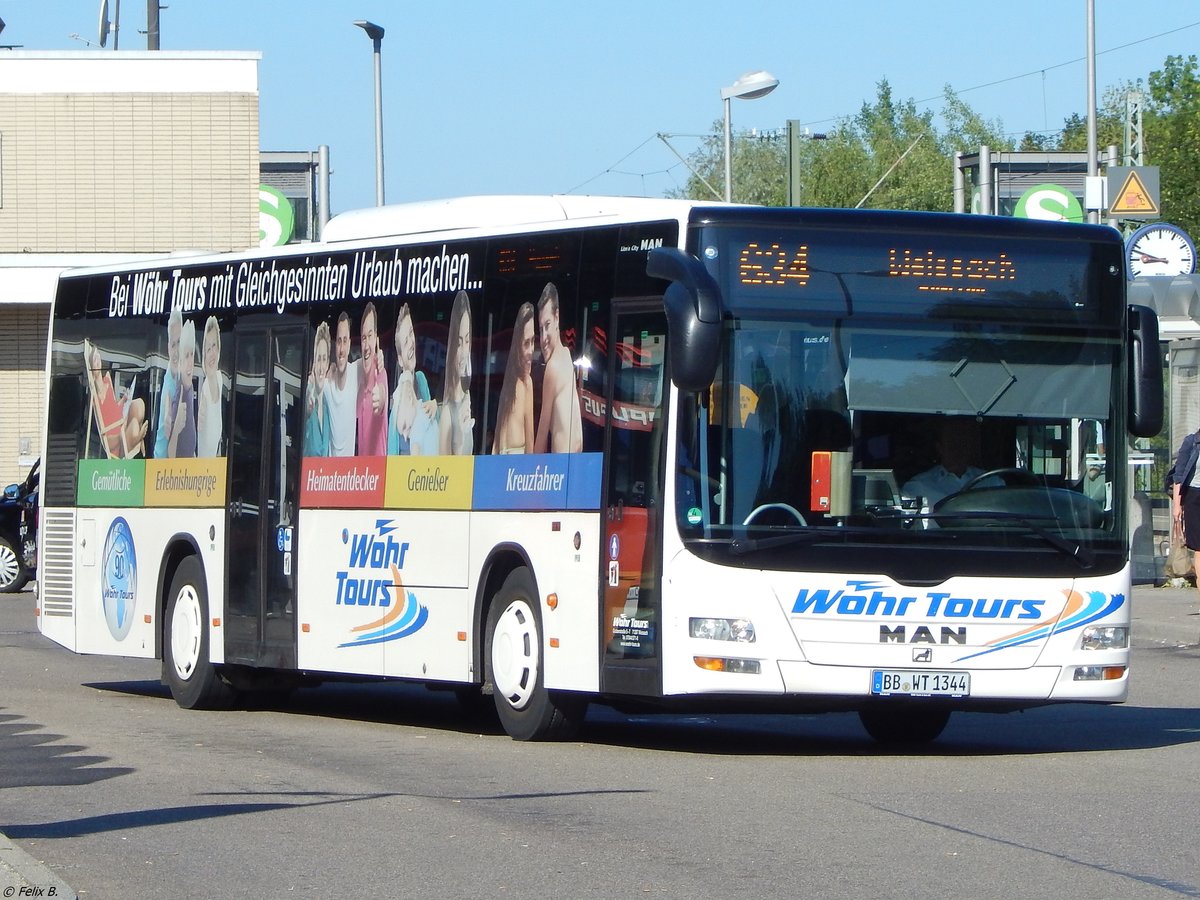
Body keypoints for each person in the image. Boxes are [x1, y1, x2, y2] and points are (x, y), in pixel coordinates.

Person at [901, 417, 1000, 513]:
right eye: (952, 443)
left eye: (962, 443)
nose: (958, 449)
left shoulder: (992, 482)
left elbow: (1004, 521)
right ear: (940, 448)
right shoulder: (919, 486)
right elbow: (907, 524)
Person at [533, 283, 582, 453]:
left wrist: (529, 473)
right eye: (540, 329)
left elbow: (541, 435)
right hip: (574, 463)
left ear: (557, 318)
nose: (544, 337)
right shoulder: (566, 356)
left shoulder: (553, 367)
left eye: (547, 325)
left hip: (560, 470)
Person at [388, 303, 437, 455]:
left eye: (411, 334)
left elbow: (430, 426)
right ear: (400, 360)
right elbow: (392, 449)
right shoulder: (398, 398)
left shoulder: (421, 379)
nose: (411, 344)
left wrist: (435, 406)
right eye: (405, 341)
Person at [85, 340, 147, 458]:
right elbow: (103, 434)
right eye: (95, 360)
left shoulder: (107, 381)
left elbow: (113, 409)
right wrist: (120, 429)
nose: (98, 362)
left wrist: (123, 400)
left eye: (98, 359)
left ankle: (138, 437)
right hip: (114, 440)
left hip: (120, 422)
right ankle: (139, 438)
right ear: (91, 366)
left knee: (138, 404)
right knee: (134, 425)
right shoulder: (95, 399)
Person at [492, 302, 536, 454]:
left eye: (533, 341)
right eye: (526, 343)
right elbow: (498, 432)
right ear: (517, 346)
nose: (531, 350)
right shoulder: (509, 382)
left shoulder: (527, 383)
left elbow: (530, 439)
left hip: (518, 468)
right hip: (500, 463)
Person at [439, 290, 474, 455]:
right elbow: (445, 475)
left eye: (467, 341)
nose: (464, 351)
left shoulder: (468, 399)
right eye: (459, 342)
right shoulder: (448, 412)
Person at [356, 302, 388, 456]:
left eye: (369, 336)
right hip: (363, 474)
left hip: (377, 473)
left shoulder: (380, 372)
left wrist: (380, 398)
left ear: (376, 338)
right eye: (363, 338)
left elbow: (381, 394)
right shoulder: (359, 376)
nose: (366, 345)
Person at [1169, 425, 1200, 583]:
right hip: (1194, 496)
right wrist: (1177, 506)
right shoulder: (1192, 442)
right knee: (1199, 548)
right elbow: (1179, 476)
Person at [327, 312, 358, 456]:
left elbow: (374, 364)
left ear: (350, 344)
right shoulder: (327, 383)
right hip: (327, 474)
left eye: (345, 341)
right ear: (335, 345)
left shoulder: (357, 371)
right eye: (339, 341)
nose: (341, 349)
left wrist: (380, 357)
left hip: (348, 474)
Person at [152, 307, 182, 458]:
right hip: (163, 464)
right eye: (173, 344)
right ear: (168, 348)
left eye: (179, 342)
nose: (176, 350)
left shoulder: (179, 375)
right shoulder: (170, 379)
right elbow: (167, 417)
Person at [167, 318, 198, 458]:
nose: (190, 361)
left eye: (192, 354)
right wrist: (177, 427)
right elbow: (170, 453)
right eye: (186, 356)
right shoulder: (179, 395)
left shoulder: (190, 389)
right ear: (180, 362)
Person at [304, 321, 333, 457]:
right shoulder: (307, 393)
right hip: (305, 475)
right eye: (318, 359)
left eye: (324, 359)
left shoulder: (327, 402)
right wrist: (308, 411)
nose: (321, 367)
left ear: (328, 363)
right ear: (314, 363)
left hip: (322, 476)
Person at [196, 316, 223, 457]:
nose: (211, 353)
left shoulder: (220, 379)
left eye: (214, 346)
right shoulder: (205, 390)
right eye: (207, 349)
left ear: (218, 349)